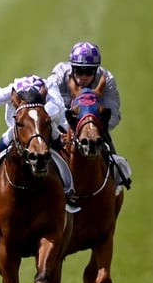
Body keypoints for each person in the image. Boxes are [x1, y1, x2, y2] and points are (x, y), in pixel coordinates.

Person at [0, 74, 79, 213]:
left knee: (58, 143)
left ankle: (69, 188)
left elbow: (57, 106)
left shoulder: (49, 87)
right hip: (21, 127)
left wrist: (34, 114)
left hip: (44, 125)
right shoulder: (15, 88)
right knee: (4, 140)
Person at [45, 41, 131, 189]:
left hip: (93, 128)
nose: (83, 77)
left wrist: (92, 129)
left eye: (89, 72)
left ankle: (117, 180)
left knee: (109, 151)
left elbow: (114, 115)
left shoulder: (107, 79)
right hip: (60, 128)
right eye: (79, 70)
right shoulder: (59, 74)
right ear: (72, 68)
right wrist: (66, 130)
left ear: (96, 70)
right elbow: (49, 107)